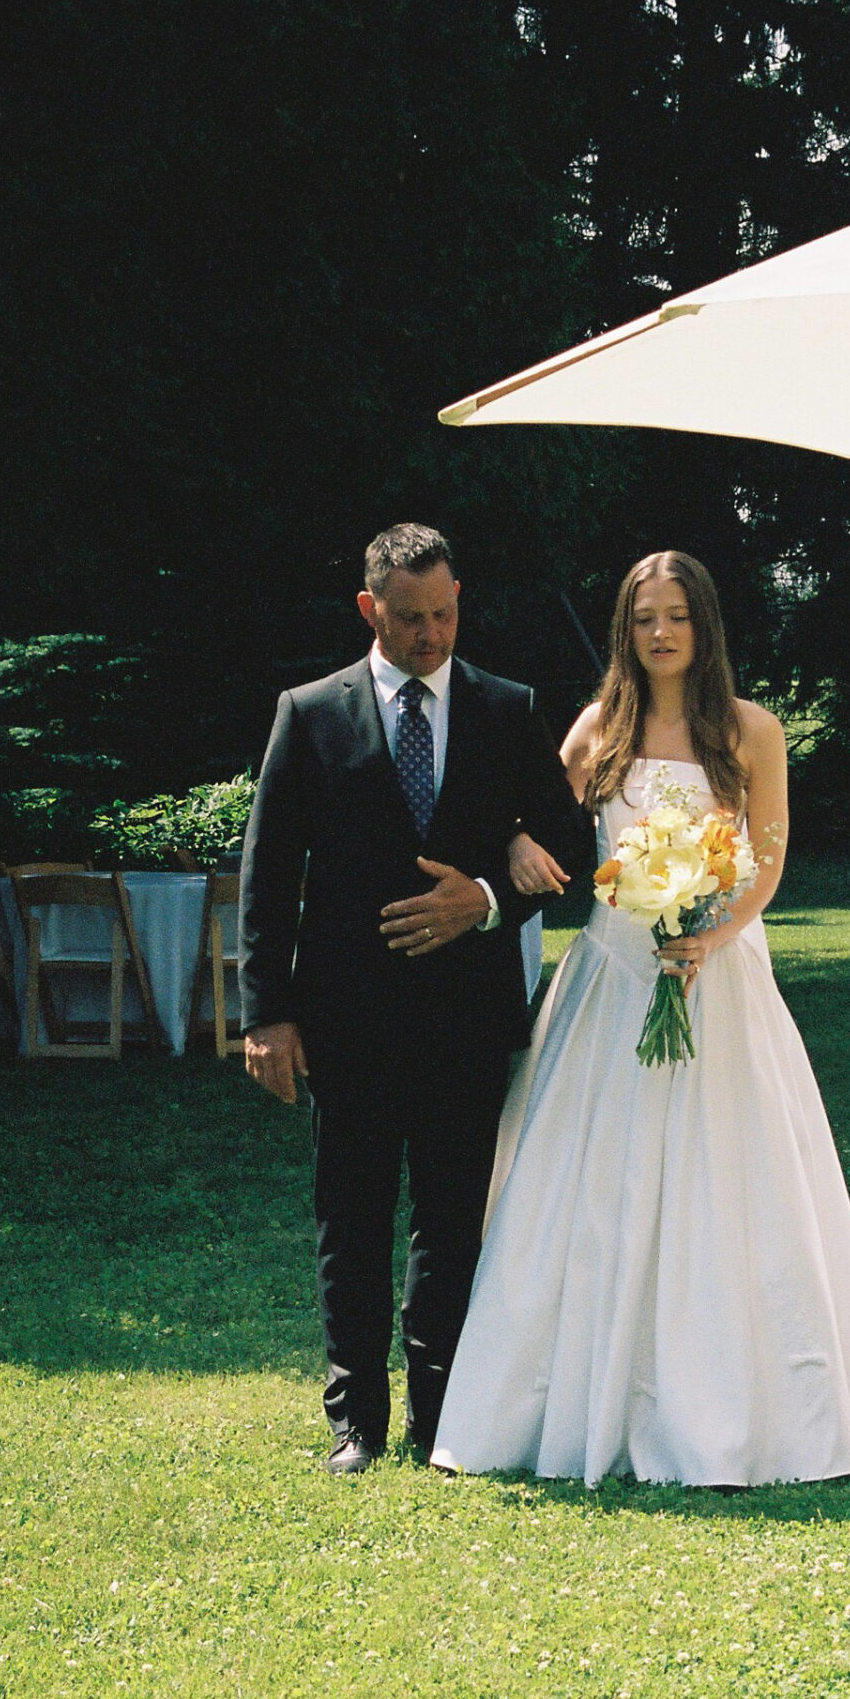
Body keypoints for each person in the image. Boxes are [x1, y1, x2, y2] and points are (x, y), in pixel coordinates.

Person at [431, 549, 850, 1488]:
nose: (660, 633)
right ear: (625, 632)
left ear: (704, 627)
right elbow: (535, 819)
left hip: (717, 974)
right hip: (614, 976)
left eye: (676, 616)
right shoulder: (597, 731)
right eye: (642, 619)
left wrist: (712, 937)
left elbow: (771, 856)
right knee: (589, 1182)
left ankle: (725, 1393)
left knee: (728, 1175)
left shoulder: (751, 732)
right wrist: (512, 837)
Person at [238, 523, 595, 1472]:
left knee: (449, 1220)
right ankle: (356, 1420)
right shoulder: (309, 714)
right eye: (408, 619)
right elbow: (268, 875)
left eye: (442, 614)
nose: (430, 635)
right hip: (344, 1018)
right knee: (350, 1220)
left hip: (467, 1020)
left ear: (458, 601)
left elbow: (579, 858)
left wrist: (483, 896)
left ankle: (442, 1416)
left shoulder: (507, 708)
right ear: (369, 611)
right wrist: (265, 1015)